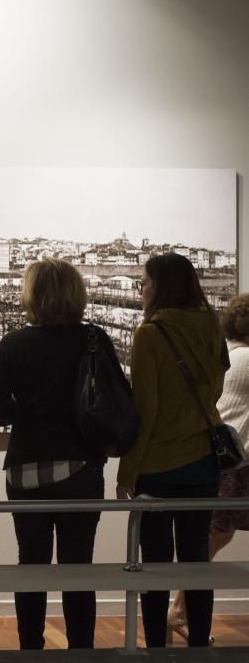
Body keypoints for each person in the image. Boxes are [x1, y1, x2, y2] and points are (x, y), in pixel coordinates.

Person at [0, 258, 117, 650]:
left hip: (26, 470)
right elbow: (115, 397)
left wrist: (21, 412)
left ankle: (31, 649)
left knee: (32, 565)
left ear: (32, 294)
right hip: (81, 468)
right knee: (79, 569)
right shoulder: (94, 339)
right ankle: (80, 650)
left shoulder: (14, 344)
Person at [117, 253, 228, 648]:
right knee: (197, 561)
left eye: (144, 282)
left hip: (158, 466)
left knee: (156, 566)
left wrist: (126, 471)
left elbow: (145, 411)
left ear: (160, 287)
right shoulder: (212, 325)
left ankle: (156, 648)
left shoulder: (150, 334)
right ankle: (199, 645)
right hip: (202, 461)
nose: (141, 289)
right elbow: (215, 386)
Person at [168, 293, 249, 642]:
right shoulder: (247, 358)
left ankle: (177, 610)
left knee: (217, 533)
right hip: (238, 461)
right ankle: (176, 611)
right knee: (213, 535)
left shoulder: (228, 354)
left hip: (222, 459)